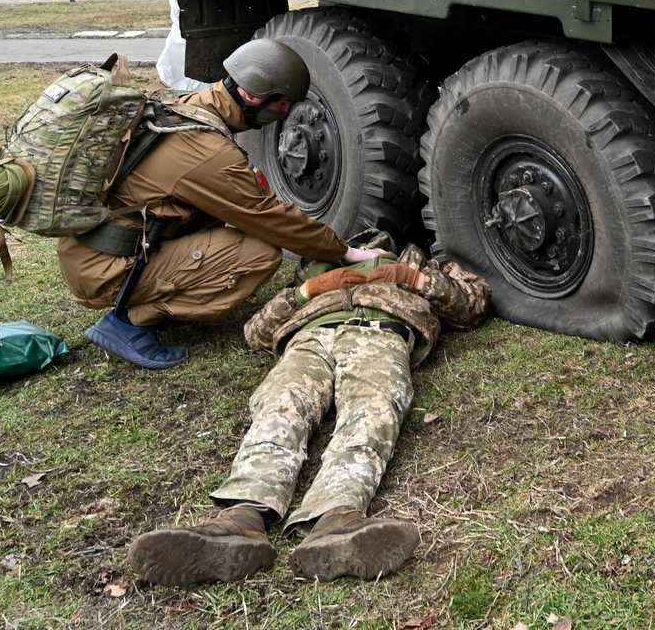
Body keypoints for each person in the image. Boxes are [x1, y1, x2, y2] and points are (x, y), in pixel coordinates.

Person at [127, 245, 491, 585]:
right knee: (280, 405)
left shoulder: (418, 261)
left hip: (380, 330)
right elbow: (255, 333)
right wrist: (307, 291)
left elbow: (472, 306)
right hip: (309, 337)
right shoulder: (310, 269)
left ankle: (337, 519)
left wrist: (414, 279)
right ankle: (240, 522)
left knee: (373, 407)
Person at [60, 38, 382, 369]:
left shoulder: (189, 107)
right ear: (253, 96)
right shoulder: (208, 152)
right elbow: (268, 217)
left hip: (93, 251)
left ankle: (148, 296)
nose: (285, 113)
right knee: (259, 253)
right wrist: (343, 251)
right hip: (105, 270)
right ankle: (129, 320)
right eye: (282, 104)